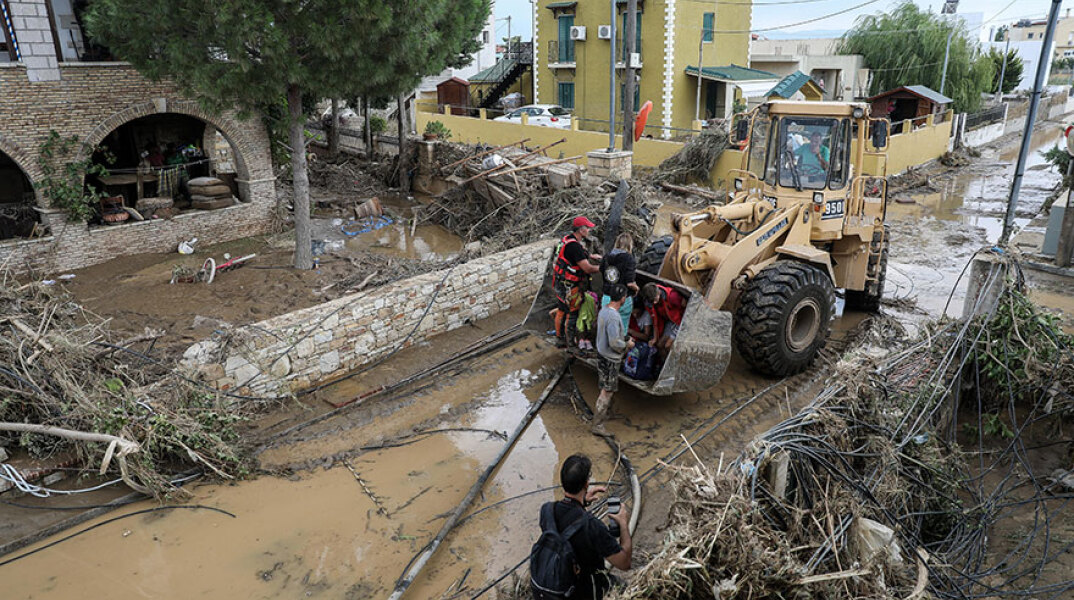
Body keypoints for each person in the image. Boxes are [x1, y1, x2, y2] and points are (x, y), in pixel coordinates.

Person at [535, 454, 631, 600]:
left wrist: (582, 502)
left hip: (555, 585)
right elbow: (624, 563)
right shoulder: (592, 526)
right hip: (582, 591)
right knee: (624, 587)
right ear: (586, 484)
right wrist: (623, 524)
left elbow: (566, 522)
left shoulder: (547, 511)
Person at [551, 216, 602, 351]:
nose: (589, 230)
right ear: (581, 230)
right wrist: (603, 268)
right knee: (571, 314)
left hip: (559, 282)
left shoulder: (568, 239)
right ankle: (571, 345)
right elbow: (588, 269)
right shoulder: (575, 247)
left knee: (562, 310)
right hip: (569, 286)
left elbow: (572, 256)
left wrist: (590, 256)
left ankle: (559, 338)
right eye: (587, 228)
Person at [593, 284, 634, 435]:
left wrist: (623, 337)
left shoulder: (604, 310)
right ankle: (598, 425)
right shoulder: (614, 317)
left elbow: (611, 335)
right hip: (610, 358)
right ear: (623, 299)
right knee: (607, 391)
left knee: (605, 386)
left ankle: (607, 414)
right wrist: (627, 345)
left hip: (602, 352)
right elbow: (614, 343)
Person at [600, 233, 638, 332]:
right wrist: (637, 289)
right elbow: (630, 283)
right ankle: (619, 346)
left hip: (607, 297)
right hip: (622, 299)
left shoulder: (606, 257)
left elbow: (601, 271)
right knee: (621, 329)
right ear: (630, 245)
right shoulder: (629, 259)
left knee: (605, 329)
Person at [641, 282, 686, 360]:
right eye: (652, 301)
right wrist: (655, 338)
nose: (654, 303)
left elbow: (685, 305)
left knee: (668, 345)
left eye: (655, 299)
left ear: (659, 293)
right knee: (659, 345)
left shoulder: (672, 296)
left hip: (680, 321)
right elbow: (655, 320)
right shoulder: (650, 303)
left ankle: (675, 363)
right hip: (670, 321)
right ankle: (663, 364)